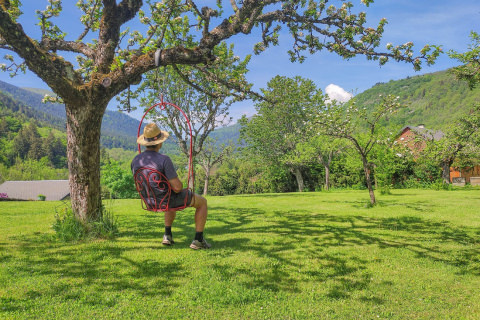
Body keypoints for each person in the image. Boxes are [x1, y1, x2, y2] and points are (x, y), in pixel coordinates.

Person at [131, 123, 211, 250]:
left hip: (150, 201)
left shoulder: (136, 160)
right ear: (160, 142)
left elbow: (140, 184)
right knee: (202, 202)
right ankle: (198, 240)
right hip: (166, 199)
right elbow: (178, 187)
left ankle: (167, 235)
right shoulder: (164, 159)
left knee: (167, 196)